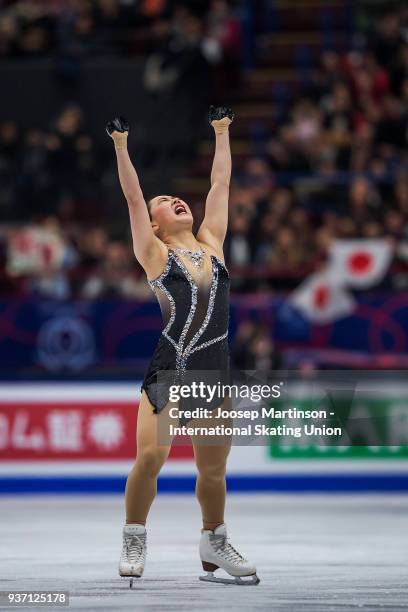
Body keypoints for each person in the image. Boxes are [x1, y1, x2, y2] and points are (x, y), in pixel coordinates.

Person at [106, 107, 259, 586]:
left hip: (213, 374)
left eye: (175, 197)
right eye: (163, 201)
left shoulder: (212, 242)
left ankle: (213, 541)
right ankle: (135, 534)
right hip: (170, 371)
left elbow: (221, 185)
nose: (174, 200)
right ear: (152, 226)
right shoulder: (154, 254)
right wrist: (120, 145)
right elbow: (132, 197)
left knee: (213, 472)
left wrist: (221, 132)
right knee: (151, 457)